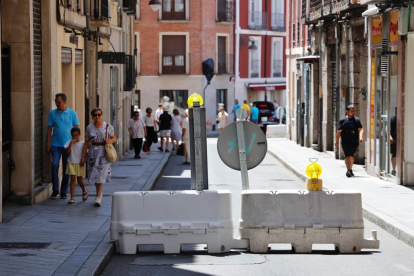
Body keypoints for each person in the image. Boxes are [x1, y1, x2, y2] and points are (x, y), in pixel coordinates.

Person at [46, 93, 80, 199]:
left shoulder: (72, 113)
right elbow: (49, 131)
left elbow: (77, 130)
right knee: (55, 165)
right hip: (55, 145)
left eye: (59, 102)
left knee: (66, 168)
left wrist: (76, 144)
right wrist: (48, 145)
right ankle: (55, 190)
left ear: (65, 102)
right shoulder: (52, 113)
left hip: (68, 146)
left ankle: (64, 191)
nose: (57, 104)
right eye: (56, 102)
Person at [81, 108, 117, 207]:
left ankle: (97, 197)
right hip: (93, 152)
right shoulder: (89, 128)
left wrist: (109, 141)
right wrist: (83, 157)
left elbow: (114, 137)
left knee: (101, 174)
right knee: (95, 174)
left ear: (102, 115)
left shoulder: (107, 126)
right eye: (95, 115)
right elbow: (86, 143)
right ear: (92, 116)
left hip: (103, 152)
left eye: (99, 115)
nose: (97, 117)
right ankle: (99, 194)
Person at [334, 105, 364, 177]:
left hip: (354, 141)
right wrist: (336, 141)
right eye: (351, 111)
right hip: (345, 141)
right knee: (348, 155)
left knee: (352, 156)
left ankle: (350, 169)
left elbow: (361, 129)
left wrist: (360, 137)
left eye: (353, 111)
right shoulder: (343, 121)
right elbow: (339, 132)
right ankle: (348, 170)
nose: (353, 113)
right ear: (347, 112)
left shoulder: (357, 120)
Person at [64, 127, 88, 205]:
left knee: (79, 180)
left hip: (79, 163)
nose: (75, 137)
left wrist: (83, 160)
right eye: (73, 135)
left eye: (76, 135)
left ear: (80, 134)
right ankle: (72, 197)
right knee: (73, 179)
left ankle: (84, 190)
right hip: (71, 162)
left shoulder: (82, 143)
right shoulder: (69, 142)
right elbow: (67, 151)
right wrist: (71, 143)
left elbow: (85, 154)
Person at [390, 107, 397, 176]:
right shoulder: (392, 119)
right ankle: (394, 169)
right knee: (394, 154)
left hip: (401, 139)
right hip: (394, 139)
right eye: (395, 110)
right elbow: (388, 129)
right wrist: (390, 137)